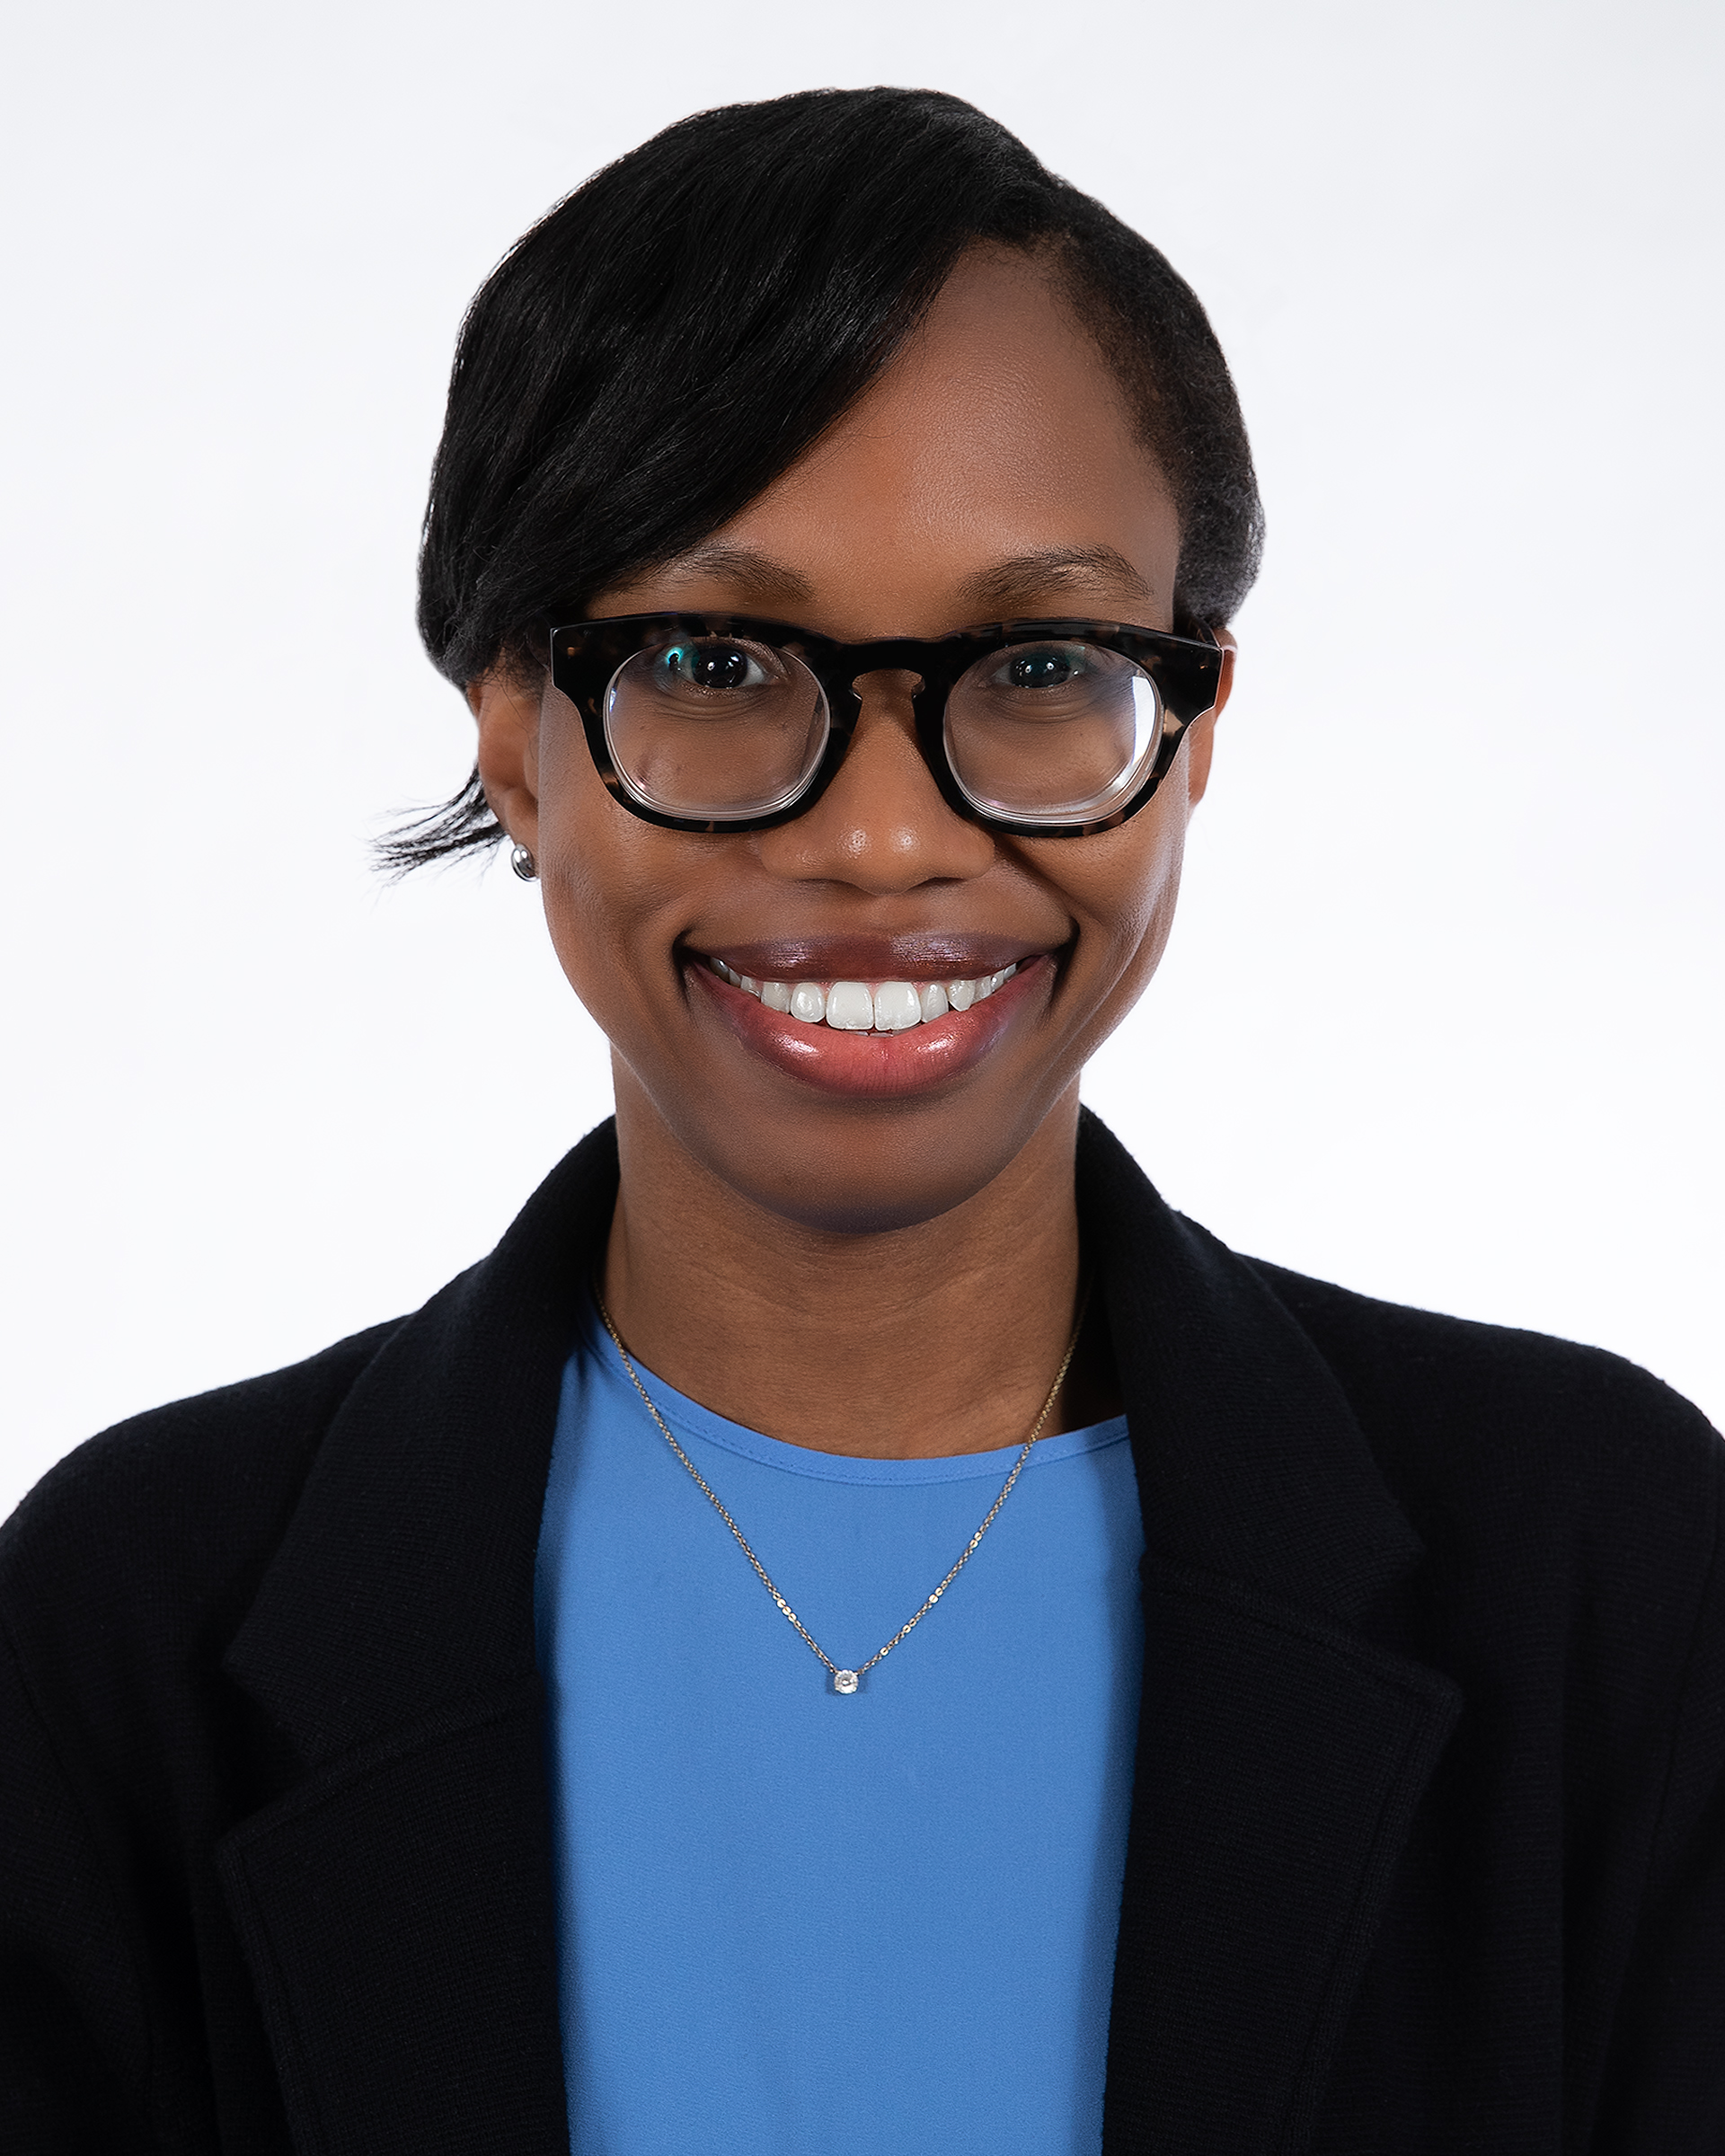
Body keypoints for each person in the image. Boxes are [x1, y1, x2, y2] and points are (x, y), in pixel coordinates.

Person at [2, 85, 1720, 2156]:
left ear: (1191, 731)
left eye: (1042, 666)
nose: (887, 838)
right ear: (519, 738)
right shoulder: (124, 1628)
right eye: (718, 660)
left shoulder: (1607, 1573)